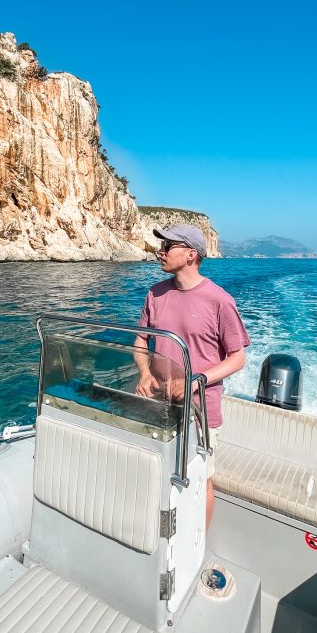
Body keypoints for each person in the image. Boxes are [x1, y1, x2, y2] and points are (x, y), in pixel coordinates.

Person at [134, 224, 250, 527]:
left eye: (167, 246)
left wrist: (195, 381)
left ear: (190, 254)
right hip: (158, 404)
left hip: (200, 411)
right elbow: (140, 341)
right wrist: (145, 372)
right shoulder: (155, 294)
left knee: (200, 480)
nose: (159, 251)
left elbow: (238, 358)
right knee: (158, 471)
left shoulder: (219, 300)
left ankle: (198, 545)